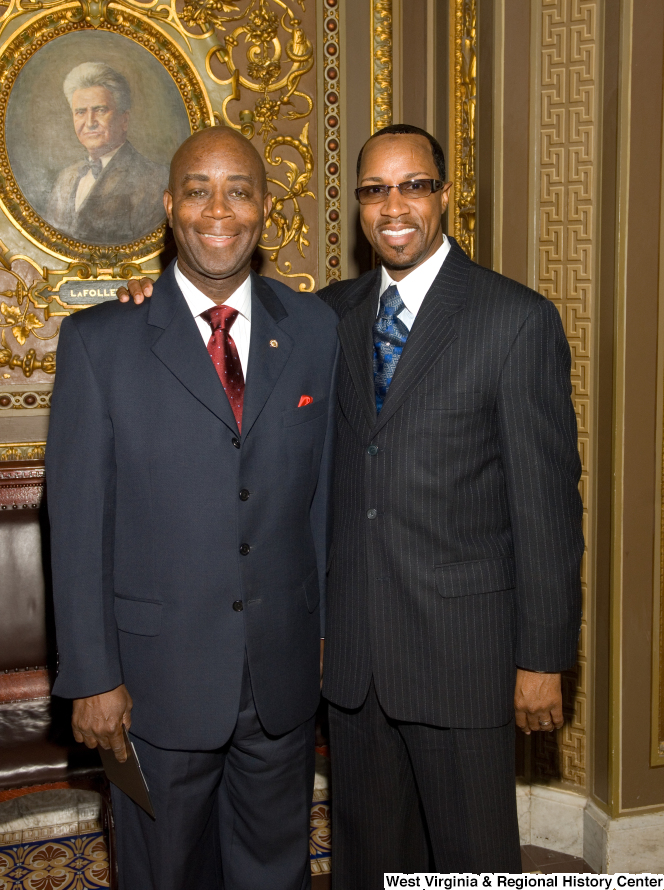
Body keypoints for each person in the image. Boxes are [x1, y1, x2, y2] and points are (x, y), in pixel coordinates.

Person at [117, 123, 584, 881]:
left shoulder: (516, 321)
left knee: (471, 863)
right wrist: (151, 297)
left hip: (463, 659)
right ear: (358, 207)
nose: (393, 205)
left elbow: (549, 512)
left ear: (444, 195)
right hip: (353, 665)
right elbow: (217, 310)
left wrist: (543, 659)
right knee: (370, 864)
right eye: (374, 190)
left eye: (413, 185)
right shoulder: (324, 319)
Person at [46, 126, 338, 890]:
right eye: (199, 189)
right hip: (152, 688)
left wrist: (326, 634)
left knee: (275, 873)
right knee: (162, 874)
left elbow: (323, 502)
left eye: (239, 190)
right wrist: (92, 678)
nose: (220, 209)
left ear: (265, 209)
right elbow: (76, 528)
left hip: (279, 681)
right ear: (169, 205)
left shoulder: (312, 330)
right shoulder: (99, 342)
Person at [47, 61, 168, 245]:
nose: (89, 122)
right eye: (80, 112)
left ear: (124, 119)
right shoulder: (65, 178)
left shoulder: (154, 179)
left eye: (100, 110)